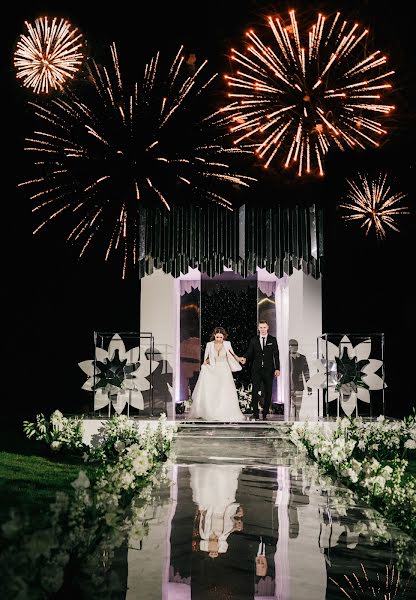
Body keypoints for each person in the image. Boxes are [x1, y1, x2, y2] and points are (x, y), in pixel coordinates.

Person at [188, 327, 246, 421]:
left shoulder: (227, 344)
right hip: (213, 370)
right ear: (214, 335)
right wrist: (205, 362)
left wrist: (239, 359)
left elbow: (232, 354)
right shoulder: (209, 345)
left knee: (224, 390)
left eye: (221, 337)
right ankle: (211, 411)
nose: (219, 339)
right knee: (214, 390)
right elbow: (207, 357)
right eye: (217, 337)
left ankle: (224, 411)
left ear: (224, 337)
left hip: (224, 369)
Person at [240, 320, 280, 420]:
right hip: (256, 370)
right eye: (260, 327)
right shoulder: (254, 340)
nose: (262, 329)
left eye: (264, 327)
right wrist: (245, 357)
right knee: (255, 391)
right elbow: (249, 352)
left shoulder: (272, 340)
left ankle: (265, 413)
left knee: (268, 392)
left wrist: (277, 368)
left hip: (268, 370)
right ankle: (255, 413)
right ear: (258, 328)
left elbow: (276, 355)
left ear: (267, 328)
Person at [289, 339, 311, 419]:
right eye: (291, 345)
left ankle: (296, 424)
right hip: (288, 385)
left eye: (295, 346)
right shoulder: (285, 357)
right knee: (289, 408)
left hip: (299, 386)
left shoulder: (302, 358)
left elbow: (306, 373)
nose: (293, 347)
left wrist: (309, 387)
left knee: (298, 408)